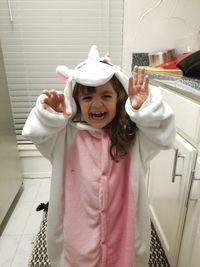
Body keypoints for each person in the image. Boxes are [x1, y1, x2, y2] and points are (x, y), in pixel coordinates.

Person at [22, 45, 175, 267]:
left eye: (106, 95)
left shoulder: (132, 136)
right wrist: (53, 115)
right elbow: (37, 132)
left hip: (121, 235)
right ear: (76, 101)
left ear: (119, 98)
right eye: (87, 97)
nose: (96, 103)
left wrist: (143, 109)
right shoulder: (65, 137)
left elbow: (162, 134)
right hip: (79, 238)